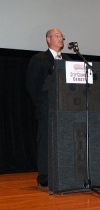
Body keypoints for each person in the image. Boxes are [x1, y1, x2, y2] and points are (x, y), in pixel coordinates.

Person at [26, 28, 71, 188]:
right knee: (45, 142)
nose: (61, 39)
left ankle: (64, 173)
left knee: (64, 141)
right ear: (48, 39)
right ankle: (44, 176)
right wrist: (40, 104)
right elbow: (31, 84)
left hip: (65, 108)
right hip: (46, 108)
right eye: (57, 36)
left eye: (62, 36)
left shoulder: (67, 59)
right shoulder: (39, 59)